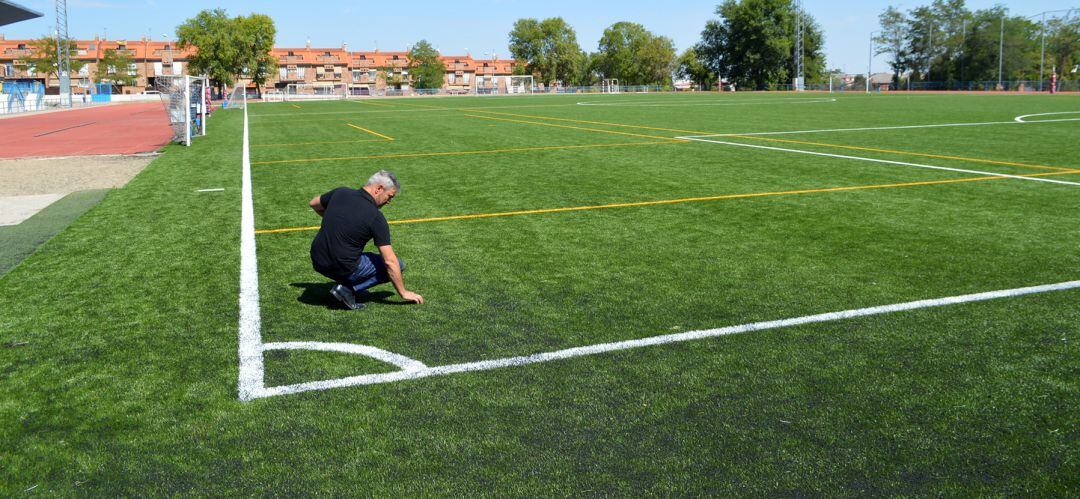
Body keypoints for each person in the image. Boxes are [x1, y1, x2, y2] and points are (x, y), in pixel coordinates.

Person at [309, 170, 424, 310]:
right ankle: (347, 289)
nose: (389, 202)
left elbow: (314, 203)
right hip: (341, 266)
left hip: (317, 260)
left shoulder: (341, 192)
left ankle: (345, 286)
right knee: (398, 265)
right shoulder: (376, 217)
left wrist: (334, 219)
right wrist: (404, 293)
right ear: (379, 189)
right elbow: (390, 261)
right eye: (389, 196)